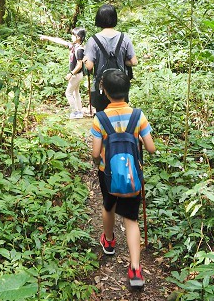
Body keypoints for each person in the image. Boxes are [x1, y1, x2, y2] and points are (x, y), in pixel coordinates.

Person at [91, 69, 156, 289]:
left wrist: (96, 161)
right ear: (127, 91)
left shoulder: (100, 118)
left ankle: (108, 241)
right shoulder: (138, 116)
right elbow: (151, 148)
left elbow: (95, 152)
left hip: (107, 172)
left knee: (108, 206)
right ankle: (136, 269)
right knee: (131, 218)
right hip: (132, 174)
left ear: (105, 92)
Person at [83, 4, 138, 112]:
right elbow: (134, 61)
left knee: (103, 117)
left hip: (102, 87)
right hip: (120, 86)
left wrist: (84, 60)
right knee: (121, 114)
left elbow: (89, 66)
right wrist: (123, 61)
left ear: (98, 18)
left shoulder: (93, 40)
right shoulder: (124, 38)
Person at [66, 27, 87, 118]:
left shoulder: (79, 50)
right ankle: (79, 111)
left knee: (68, 93)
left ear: (78, 37)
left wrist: (71, 74)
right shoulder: (76, 47)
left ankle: (75, 112)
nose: (71, 37)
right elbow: (60, 41)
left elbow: (79, 65)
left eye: (73, 35)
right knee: (75, 92)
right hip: (78, 75)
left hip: (76, 75)